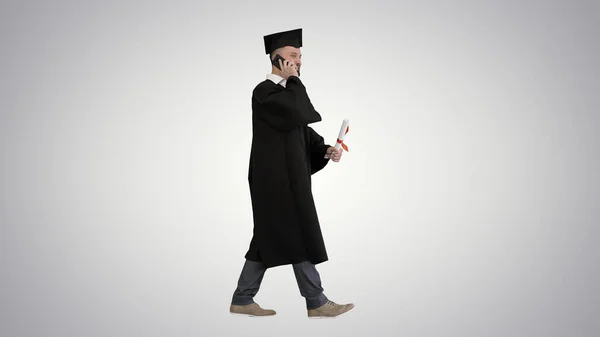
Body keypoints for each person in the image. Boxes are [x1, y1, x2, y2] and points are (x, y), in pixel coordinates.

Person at [229, 28, 355, 318]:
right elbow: (299, 112)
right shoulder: (264, 92)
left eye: (300, 57)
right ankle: (316, 301)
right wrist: (294, 80)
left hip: (288, 179)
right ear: (277, 59)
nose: (298, 61)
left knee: (266, 238)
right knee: (298, 233)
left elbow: (301, 129)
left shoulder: (286, 95)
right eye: (293, 56)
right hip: (274, 181)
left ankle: (242, 298)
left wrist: (325, 150)